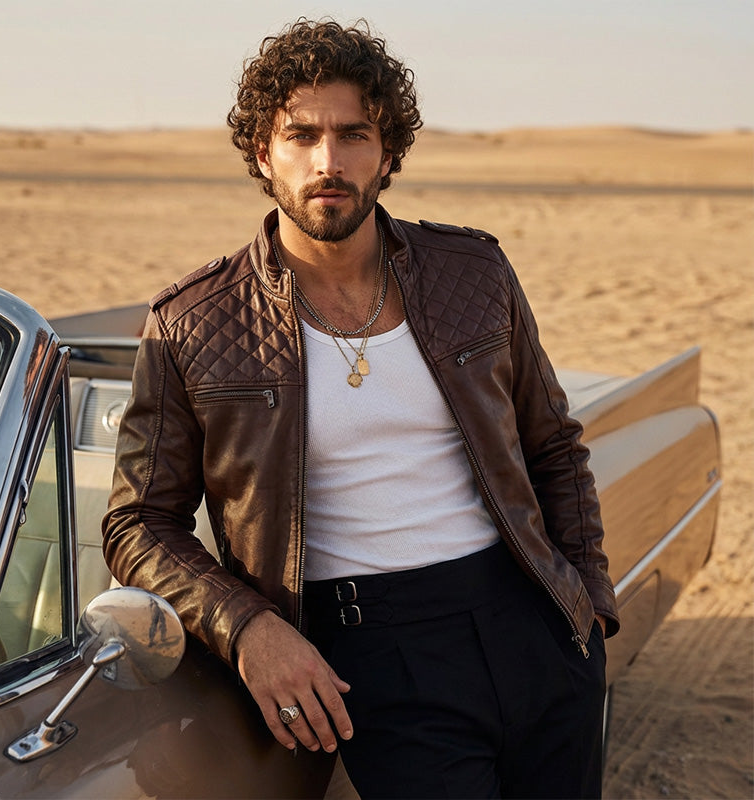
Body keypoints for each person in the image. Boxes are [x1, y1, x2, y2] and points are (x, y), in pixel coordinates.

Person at [102, 18, 619, 799]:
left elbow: (553, 445)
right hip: (368, 649)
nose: (328, 162)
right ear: (262, 153)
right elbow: (138, 522)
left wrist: (589, 610)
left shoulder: (473, 271)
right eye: (301, 135)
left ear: (388, 153)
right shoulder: (193, 323)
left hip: (532, 617)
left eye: (353, 135)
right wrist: (249, 630)